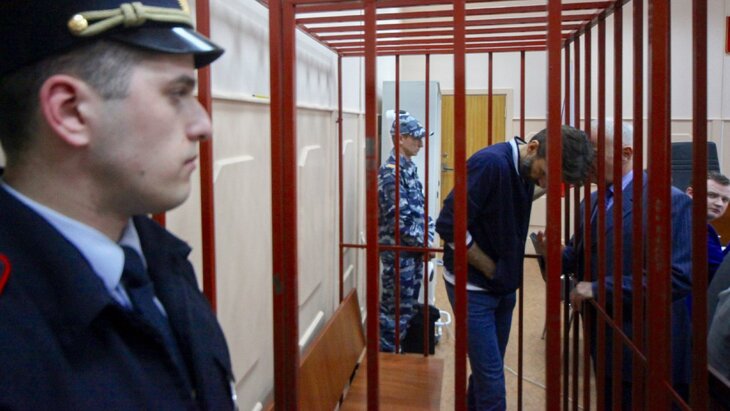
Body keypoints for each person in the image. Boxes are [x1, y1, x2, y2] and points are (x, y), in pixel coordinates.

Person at [0, 1, 235, 409]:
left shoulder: (157, 258)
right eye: (177, 93)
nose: (203, 125)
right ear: (71, 111)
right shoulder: (14, 337)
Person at [435, 125, 594, 410]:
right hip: (473, 287)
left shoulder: (524, 169)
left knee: (487, 372)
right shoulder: (490, 164)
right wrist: (491, 269)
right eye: (545, 174)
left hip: (503, 287)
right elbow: (448, 224)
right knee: (493, 385)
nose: (545, 183)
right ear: (532, 148)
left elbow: (509, 196)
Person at [539, 120, 692, 409]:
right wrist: (553, 253)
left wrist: (598, 289)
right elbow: (580, 258)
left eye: (594, 153)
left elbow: (677, 277)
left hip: (646, 343)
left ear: (626, 153)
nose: (586, 161)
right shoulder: (591, 202)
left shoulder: (669, 201)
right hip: (604, 337)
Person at [378, 110, 434, 352]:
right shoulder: (390, 174)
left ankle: (396, 359)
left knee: (407, 312)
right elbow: (400, 223)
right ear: (400, 138)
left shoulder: (408, 169)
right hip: (399, 258)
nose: (421, 143)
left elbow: (421, 211)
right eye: (416, 138)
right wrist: (425, 244)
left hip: (412, 255)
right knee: (393, 317)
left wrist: (427, 240)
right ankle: (386, 364)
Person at [685, 171, 730, 284]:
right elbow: (719, 274)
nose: (719, 204)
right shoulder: (688, 226)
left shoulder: (704, 227)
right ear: (691, 193)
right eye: (712, 195)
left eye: (725, 199)